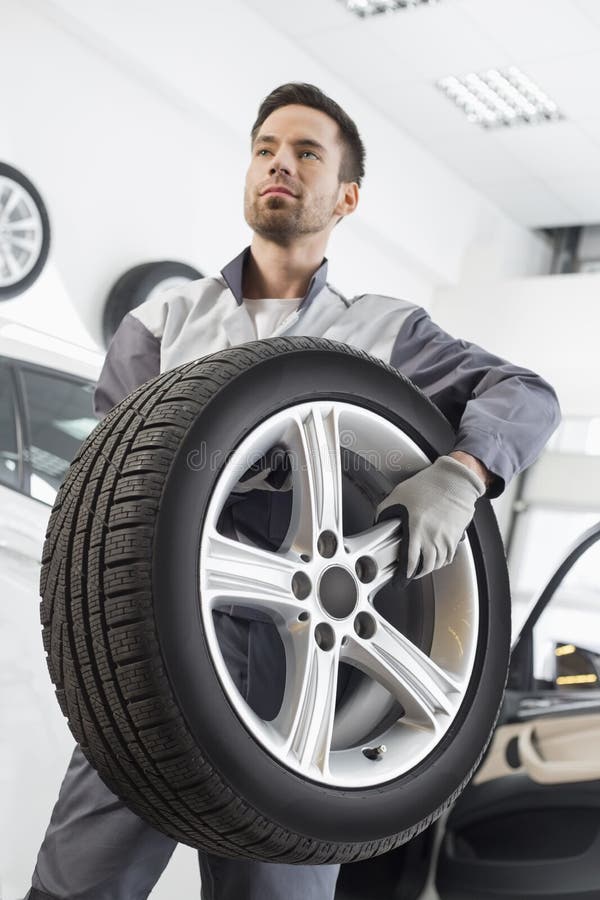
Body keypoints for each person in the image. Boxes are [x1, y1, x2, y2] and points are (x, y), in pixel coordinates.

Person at [25, 82, 560, 900]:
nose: (280, 163)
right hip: (151, 647)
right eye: (267, 148)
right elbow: (102, 492)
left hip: (295, 654)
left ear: (345, 196)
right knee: (78, 886)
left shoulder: (381, 334)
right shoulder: (163, 324)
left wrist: (462, 474)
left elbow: (525, 395)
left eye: (307, 152)